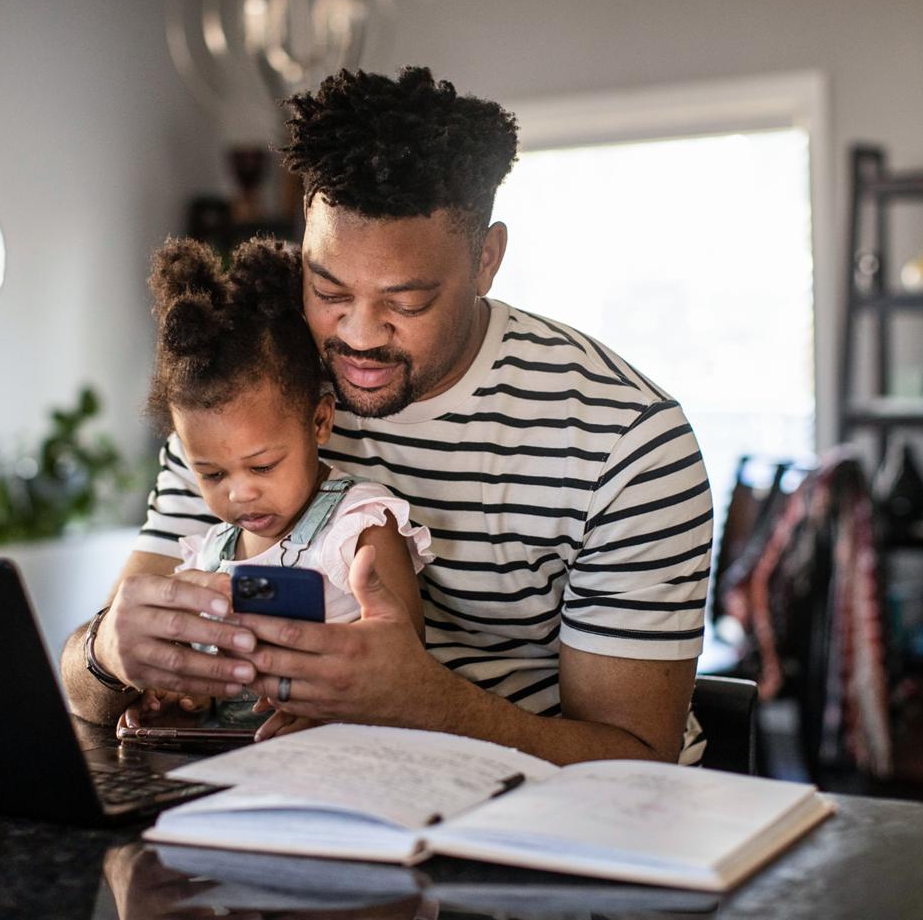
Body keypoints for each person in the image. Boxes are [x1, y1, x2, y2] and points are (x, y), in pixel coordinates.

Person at [62, 66, 713, 766]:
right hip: (299, 799)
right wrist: (109, 652)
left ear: (486, 259)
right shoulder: (251, 398)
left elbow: (638, 765)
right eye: (328, 287)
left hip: (536, 829)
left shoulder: (625, 442)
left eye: (406, 302)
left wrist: (425, 703)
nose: (361, 335)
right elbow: (82, 690)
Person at [123, 235, 432, 739]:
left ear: (319, 421)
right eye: (213, 474)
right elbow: (203, 678)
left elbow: (404, 673)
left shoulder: (358, 529)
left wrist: (331, 711)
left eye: (262, 467)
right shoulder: (208, 556)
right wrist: (180, 700)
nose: (239, 494)